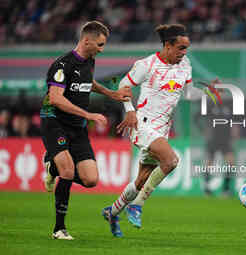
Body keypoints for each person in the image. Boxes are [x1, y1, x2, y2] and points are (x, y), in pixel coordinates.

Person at [102, 24, 210, 237]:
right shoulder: (147, 64)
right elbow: (123, 85)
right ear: (167, 46)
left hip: (162, 129)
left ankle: (113, 212)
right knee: (171, 161)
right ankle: (137, 205)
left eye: (186, 48)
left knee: (141, 180)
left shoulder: (185, 65)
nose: (184, 52)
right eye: (180, 48)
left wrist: (206, 91)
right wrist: (129, 110)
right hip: (142, 124)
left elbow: (187, 93)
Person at [40, 20, 132, 240]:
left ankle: (52, 167)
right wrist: (89, 115)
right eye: (99, 45)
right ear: (87, 40)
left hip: (77, 127)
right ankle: (59, 229)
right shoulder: (62, 64)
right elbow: (55, 98)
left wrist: (112, 94)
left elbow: (88, 83)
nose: (102, 49)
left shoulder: (89, 62)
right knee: (69, 172)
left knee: (91, 180)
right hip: (55, 121)